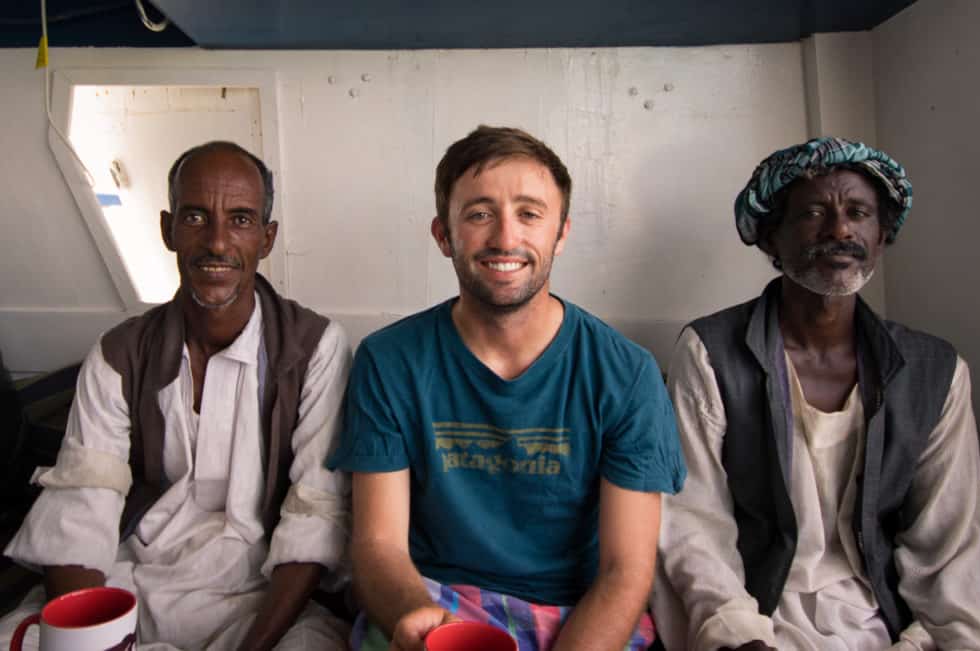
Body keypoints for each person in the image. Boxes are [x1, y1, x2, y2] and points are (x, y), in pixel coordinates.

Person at [330, 125, 685, 651]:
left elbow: (624, 572)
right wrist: (416, 619)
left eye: (529, 213)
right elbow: (378, 546)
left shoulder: (626, 374)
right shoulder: (390, 361)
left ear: (560, 233)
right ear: (443, 234)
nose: (505, 237)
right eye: (478, 213)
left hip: (580, 614)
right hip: (436, 602)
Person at [652, 137, 980, 650]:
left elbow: (951, 544)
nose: (840, 229)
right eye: (814, 212)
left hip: (885, 617)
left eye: (858, 212)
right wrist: (740, 636)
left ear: (882, 235)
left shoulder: (936, 372)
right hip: (754, 617)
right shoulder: (711, 352)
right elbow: (692, 524)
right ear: (772, 239)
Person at [0, 141, 352, 650]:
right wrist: (88, 638)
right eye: (194, 217)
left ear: (267, 238)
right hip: (130, 576)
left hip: (261, 589)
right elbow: (82, 506)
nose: (217, 242)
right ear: (167, 230)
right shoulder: (119, 354)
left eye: (240, 220)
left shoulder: (316, 348)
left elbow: (316, 514)